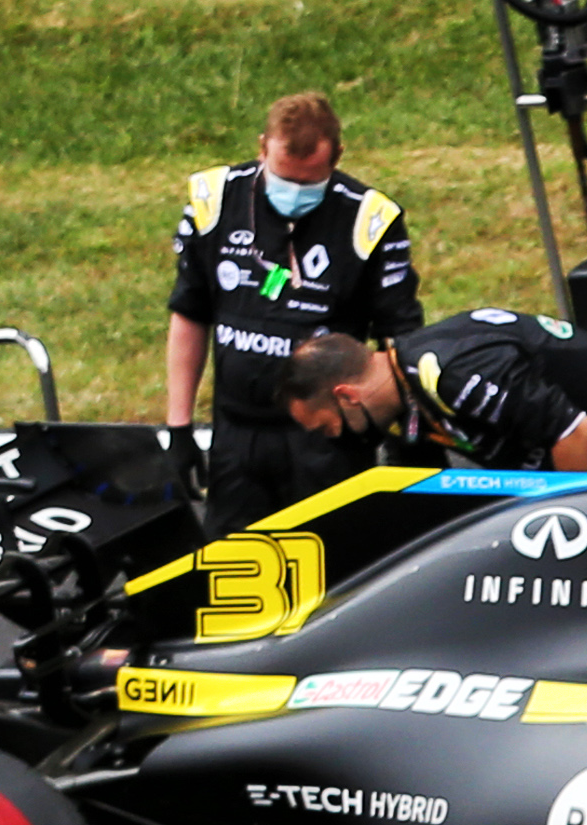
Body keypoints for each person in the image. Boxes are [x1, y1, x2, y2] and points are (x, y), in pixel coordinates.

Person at [166, 94, 420, 531]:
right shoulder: (215, 202)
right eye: (285, 179)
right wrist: (178, 427)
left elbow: (400, 337)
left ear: (338, 156)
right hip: (237, 435)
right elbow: (190, 314)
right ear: (262, 147)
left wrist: (406, 426)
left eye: (311, 182)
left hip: (328, 438)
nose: (296, 194)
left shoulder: (371, 218)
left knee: (336, 569)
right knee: (234, 573)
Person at [285, 312, 587, 479]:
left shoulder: (448, 374)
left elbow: (573, 432)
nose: (335, 437)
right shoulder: (399, 403)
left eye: (327, 427)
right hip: (574, 443)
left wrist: (577, 526)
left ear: (348, 396)